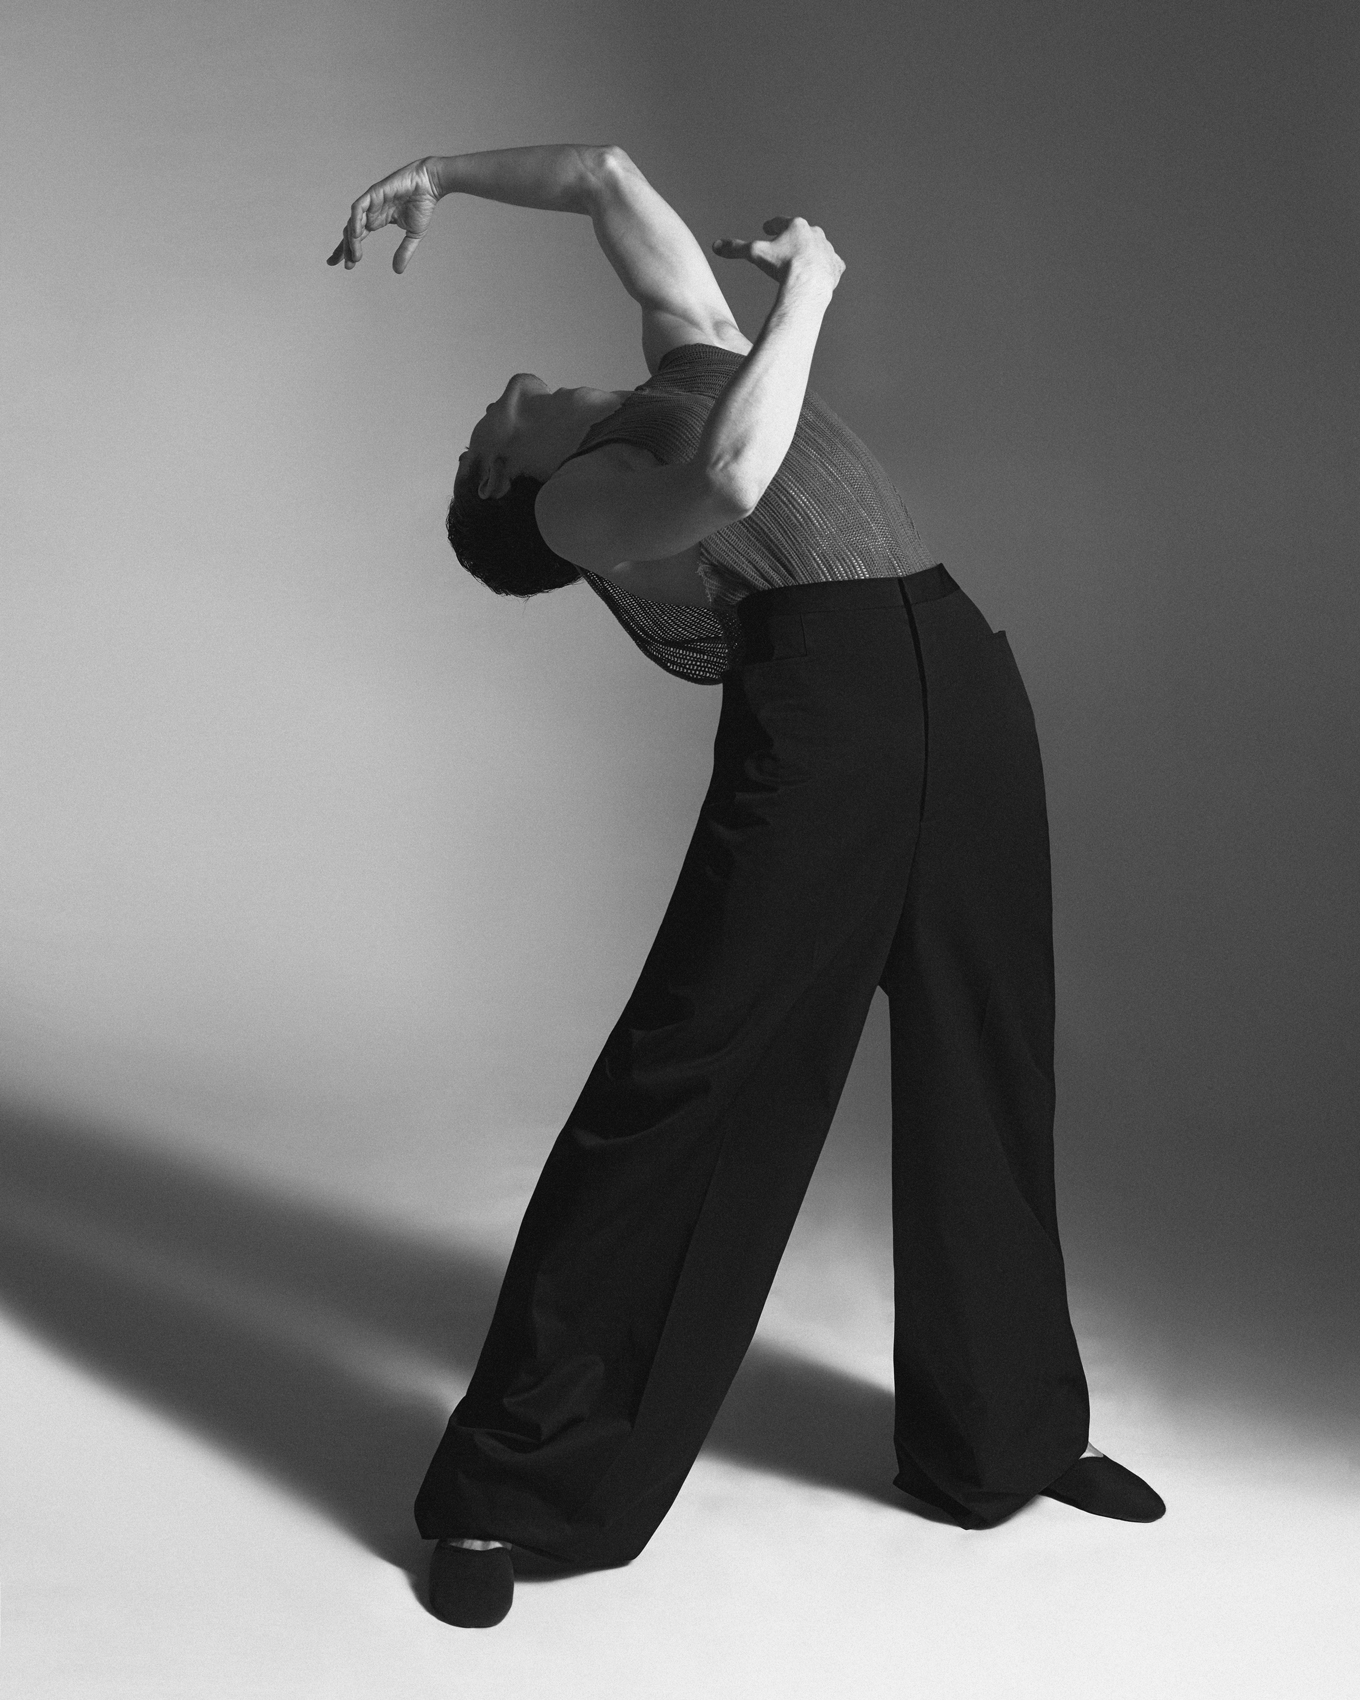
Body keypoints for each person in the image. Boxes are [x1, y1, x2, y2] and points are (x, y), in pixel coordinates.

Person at [329, 144, 1164, 1629]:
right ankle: (507, 1494)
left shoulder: (687, 355)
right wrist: (814, 296)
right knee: (691, 1086)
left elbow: (604, 179)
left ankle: (1006, 1440)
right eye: (473, 437)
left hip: (959, 670)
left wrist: (440, 176)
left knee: (990, 1057)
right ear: (501, 479)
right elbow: (730, 479)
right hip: (828, 712)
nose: (480, 406)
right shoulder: (580, 503)